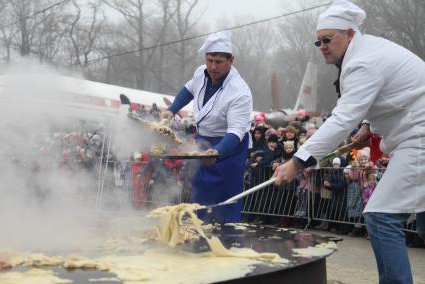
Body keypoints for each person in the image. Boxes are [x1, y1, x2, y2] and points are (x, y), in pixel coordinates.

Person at [273, 0, 425, 283]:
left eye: (328, 39)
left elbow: (343, 118)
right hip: (414, 133)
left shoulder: (362, 62)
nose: (322, 47)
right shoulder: (366, 52)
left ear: (350, 34)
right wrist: (369, 125)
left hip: (420, 138)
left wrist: (297, 161)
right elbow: (392, 95)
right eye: (318, 42)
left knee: (380, 216)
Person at [161, 30, 252, 223]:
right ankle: (198, 229)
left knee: (226, 198)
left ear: (231, 60)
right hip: (203, 141)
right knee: (201, 191)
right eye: (210, 60)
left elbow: (236, 132)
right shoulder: (200, 73)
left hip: (229, 147)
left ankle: (227, 236)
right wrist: (172, 109)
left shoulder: (240, 92)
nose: (213, 67)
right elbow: (188, 90)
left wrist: (217, 151)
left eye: (219, 62)